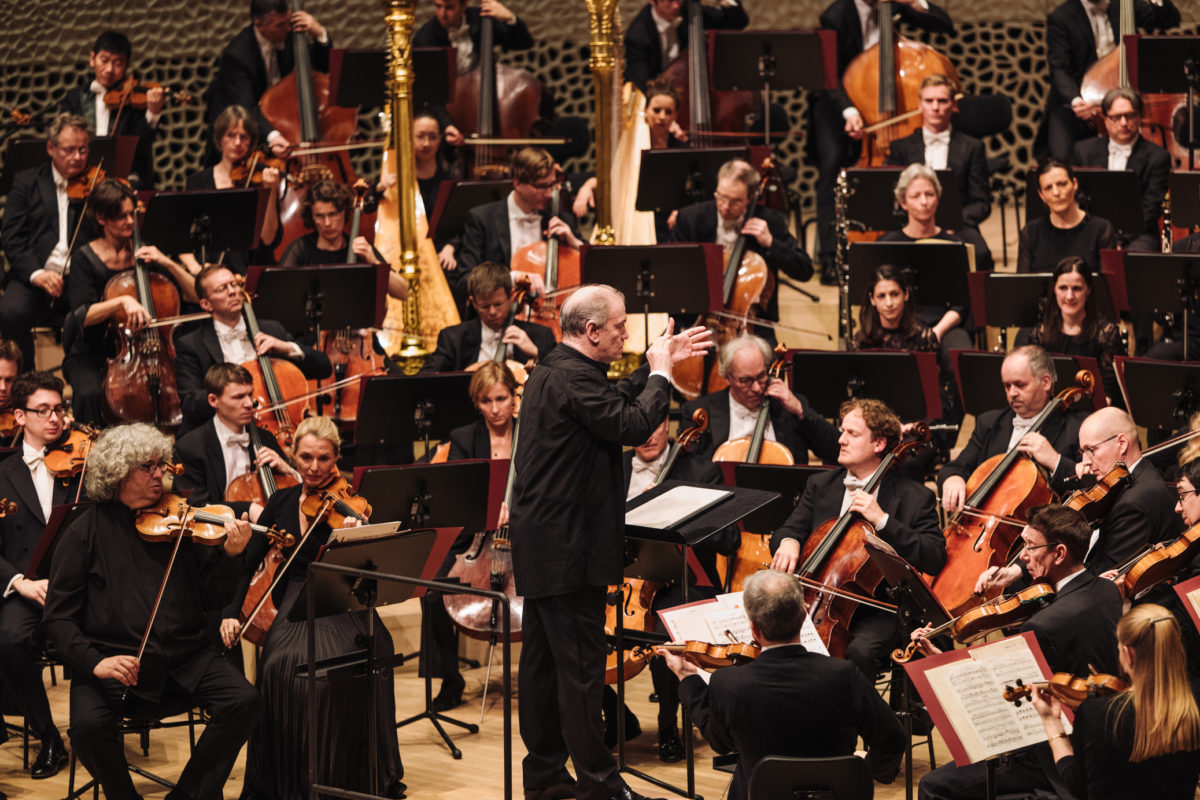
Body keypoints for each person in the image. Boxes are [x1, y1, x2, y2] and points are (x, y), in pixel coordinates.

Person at [509, 284, 711, 800]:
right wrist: (662, 371)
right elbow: (635, 423)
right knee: (578, 671)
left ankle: (547, 778)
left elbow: (610, 403)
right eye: (620, 324)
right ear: (592, 330)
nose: (627, 331)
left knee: (542, 666)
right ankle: (601, 787)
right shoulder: (572, 378)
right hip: (569, 549)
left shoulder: (560, 369)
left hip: (548, 545)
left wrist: (654, 366)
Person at [42, 423, 262, 800]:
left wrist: (230, 557)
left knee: (244, 701)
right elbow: (58, 619)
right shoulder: (82, 532)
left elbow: (209, 598)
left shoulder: (180, 522)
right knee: (85, 728)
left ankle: (189, 795)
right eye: (148, 467)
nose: (160, 474)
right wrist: (95, 663)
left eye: (162, 465)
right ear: (118, 472)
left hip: (185, 658)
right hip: (113, 664)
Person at [222, 415, 405, 799]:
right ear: (294, 455)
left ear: (337, 457)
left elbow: (371, 567)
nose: (314, 467)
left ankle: (346, 773)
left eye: (324, 458)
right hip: (296, 596)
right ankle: (289, 777)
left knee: (369, 653)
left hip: (343, 596)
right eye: (305, 457)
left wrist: (357, 540)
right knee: (279, 666)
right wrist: (230, 611)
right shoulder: (281, 501)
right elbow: (249, 562)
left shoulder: (352, 502)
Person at [916, 504, 1123, 800]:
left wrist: (938, 661)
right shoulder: (1108, 590)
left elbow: (1009, 700)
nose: (1022, 556)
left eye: (1029, 545)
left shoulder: (1044, 625)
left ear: (1060, 553)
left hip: (1058, 752)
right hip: (1109, 738)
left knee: (933, 786)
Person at [661, 569, 906, 800]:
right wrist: (866, 768)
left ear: (754, 629)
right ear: (802, 617)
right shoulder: (844, 675)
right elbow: (893, 737)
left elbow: (720, 742)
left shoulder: (728, 682)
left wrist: (688, 678)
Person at [769, 397, 944, 679]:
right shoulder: (822, 485)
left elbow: (934, 556)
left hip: (880, 610)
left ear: (879, 444)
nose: (840, 440)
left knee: (860, 652)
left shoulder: (915, 496)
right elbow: (789, 530)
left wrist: (882, 520)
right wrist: (788, 542)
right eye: (842, 431)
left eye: (852, 434)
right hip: (817, 600)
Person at [619, 417, 739, 763]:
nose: (647, 436)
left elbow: (729, 540)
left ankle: (668, 722)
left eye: (654, 426)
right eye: (636, 428)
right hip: (627, 579)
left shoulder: (701, 471)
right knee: (580, 630)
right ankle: (616, 718)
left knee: (662, 634)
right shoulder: (613, 466)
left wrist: (674, 509)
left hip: (685, 580)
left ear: (667, 424)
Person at [811, 0, 953, 284]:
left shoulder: (894, 6)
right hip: (839, 103)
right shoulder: (835, 15)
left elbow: (944, 25)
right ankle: (830, 257)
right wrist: (849, 111)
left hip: (883, 106)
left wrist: (915, 3)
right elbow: (829, 75)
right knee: (833, 167)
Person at [982, 407, 1182, 589]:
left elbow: (1102, 579)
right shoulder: (1115, 481)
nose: (1085, 462)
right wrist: (1017, 571)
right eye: (1082, 452)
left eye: (1091, 450)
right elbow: (1061, 534)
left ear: (1121, 443)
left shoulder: (1135, 502)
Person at [420, 361, 520, 712]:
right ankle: (451, 678)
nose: (495, 409)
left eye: (501, 399)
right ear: (476, 403)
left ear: (514, 397)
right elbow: (459, 497)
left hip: (523, 537)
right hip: (474, 539)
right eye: (486, 401)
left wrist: (517, 510)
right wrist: (488, 512)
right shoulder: (464, 438)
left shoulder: (532, 434)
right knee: (431, 593)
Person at [61, 178, 199, 426]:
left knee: (190, 384)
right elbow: (81, 315)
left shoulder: (146, 252)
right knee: (90, 392)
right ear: (102, 219)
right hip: (93, 352)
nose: (130, 222)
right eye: (121, 216)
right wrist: (121, 301)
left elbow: (195, 295)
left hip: (154, 350)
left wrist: (167, 262)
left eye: (132, 214)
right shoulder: (84, 258)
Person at [0, 372, 81, 780]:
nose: (55, 419)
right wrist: (19, 583)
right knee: (9, 640)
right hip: (26, 589)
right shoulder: (2, 472)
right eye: (43, 410)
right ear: (19, 416)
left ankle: (101, 727)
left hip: (81, 588)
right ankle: (49, 736)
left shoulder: (82, 464)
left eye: (59, 409)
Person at [1032, 604, 1200, 800]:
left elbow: (1077, 787)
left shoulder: (1096, 715)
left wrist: (1052, 724)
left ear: (1128, 654)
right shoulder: (1193, 700)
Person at [174, 264, 332, 434]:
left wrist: (286, 347)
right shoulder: (191, 344)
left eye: (234, 284)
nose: (233, 291)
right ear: (206, 304)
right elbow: (191, 403)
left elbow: (324, 367)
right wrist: (231, 397)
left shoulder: (271, 329)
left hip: (279, 428)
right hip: (222, 433)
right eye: (222, 289)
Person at [669, 158, 813, 328]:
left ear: (751, 198)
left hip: (749, 323)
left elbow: (805, 271)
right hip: (695, 320)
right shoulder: (690, 218)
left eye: (736, 201)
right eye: (721, 197)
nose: (725, 206)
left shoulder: (770, 221)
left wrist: (771, 243)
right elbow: (672, 272)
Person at [939, 345, 1082, 512]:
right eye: (1007, 386)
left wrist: (1054, 461)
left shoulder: (1076, 427)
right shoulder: (988, 423)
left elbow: (1089, 486)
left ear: (1046, 382)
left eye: (1020, 385)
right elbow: (955, 467)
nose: (1012, 393)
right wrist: (953, 478)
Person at [0, 112, 91, 369]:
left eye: (83, 150)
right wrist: (37, 273)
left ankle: (86, 376)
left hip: (80, 279)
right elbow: (12, 237)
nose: (77, 157)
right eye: (69, 149)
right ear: (51, 148)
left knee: (99, 315)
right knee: (9, 313)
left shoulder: (95, 185)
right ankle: (28, 381)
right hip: (35, 276)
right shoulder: (26, 182)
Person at [1040, 0, 1180, 161]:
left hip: (1127, 96)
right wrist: (1076, 101)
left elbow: (1171, 20)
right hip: (1081, 101)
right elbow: (1059, 68)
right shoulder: (1061, 17)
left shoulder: (1126, 5)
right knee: (1062, 157)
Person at [885, 73, 993, 270]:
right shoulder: (900, 147)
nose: (935, 107)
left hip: (958, 226)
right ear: (920, 105)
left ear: (953, 105)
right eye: (929, 101)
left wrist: (951, 223)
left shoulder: (972, 147)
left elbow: (981, 202)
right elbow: (890, 199)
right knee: (881, 253)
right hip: (911, 226)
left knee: (981, 254)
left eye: (942, 101)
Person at [681, 334, 839, 465]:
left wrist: (800, 411)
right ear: (727, 377)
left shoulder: (788, 406)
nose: (757, 388)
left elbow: (835, 451)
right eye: (746, 381)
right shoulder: (700, 413)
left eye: (761, 376)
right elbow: (690, 470)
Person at [456, 147, 583, 308]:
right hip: (501, 318)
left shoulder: (560, 219)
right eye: (541, 187)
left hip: (551, 315)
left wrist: (574, 243)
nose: (550, 194)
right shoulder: (482, 219)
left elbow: (593, 272)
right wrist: (512, 278)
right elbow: (465, 280)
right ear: (517, 183)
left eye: (552, 185)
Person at [205, 0, 331, 157]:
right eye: (280, 25)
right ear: (259, 25)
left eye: (288, 21)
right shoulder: (237, 56)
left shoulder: (289, 35)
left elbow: (320, 69)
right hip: (249, 139)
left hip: (285, 129)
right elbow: (247, 107)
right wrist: (273, 136)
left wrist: (319, 33)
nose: (287, 28)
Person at [172, 362, 294, 511]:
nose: (250, 403)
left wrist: (288, 470)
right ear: (213, 400)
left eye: (250, 394)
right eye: (239, 397)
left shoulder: (265, 439)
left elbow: (292, 495)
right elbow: (194, 507)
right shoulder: (189, 448)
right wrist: (248, 509)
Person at [878, 164, 973, 353]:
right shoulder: (887, 244)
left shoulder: (955, 244)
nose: (924, 202)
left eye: (930, 194)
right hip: (898, 324)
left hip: (945, 326)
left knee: (959, 357)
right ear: (903, 202)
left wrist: (937, 331)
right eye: (916, 196)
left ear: (938, 199)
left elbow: (962, 302)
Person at [181, 105, 282, 276]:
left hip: (251, 273)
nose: (237, 143)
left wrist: (270, 192)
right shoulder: (197, 182)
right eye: (231, 135)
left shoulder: (260, 182)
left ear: (251, 142)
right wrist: (196, 269)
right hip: (210, 277)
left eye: (244, 137)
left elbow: (268, 238)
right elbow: (181, 236)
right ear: (219, 138)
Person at [57, 31, 162, 189]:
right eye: (104, 60)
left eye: (118, 63)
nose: (109, 69)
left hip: (125, 182)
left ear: (126, 65)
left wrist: (153, 113)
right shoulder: (74, 98)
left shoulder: (133, 98)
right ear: (93, 59)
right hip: (82, 180)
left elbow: (141, 147)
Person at [1072, 87, 1170, 253]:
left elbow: (1151, 208)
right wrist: (1103, 237)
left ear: (1139, 117)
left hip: (1139, 233)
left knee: (1138, 259)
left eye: (1129, 116)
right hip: (1093, 231)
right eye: (1117, 117)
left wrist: (1119, 240)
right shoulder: (1083, 151)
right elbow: (1079, 199)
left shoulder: (1158, 157)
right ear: (1105, 119)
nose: (1124, 123)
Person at [421, 261, 557, 373]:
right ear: (473, 302)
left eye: (498, 304)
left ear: (510, 296)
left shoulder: (542, 336)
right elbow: (424, 379)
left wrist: (537, 353)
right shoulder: (453, 338)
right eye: (485, 306)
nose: (492, 312)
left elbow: (564, 379)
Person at [1023, 256, 1122, 406]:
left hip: (1093, 414)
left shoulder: (1106, 334)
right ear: (1054, 289)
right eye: (1063, 288)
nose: (1069, 296)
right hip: (1052, 410)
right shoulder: (1041, 334)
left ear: (1088, 290)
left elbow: (1108, 395)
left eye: (1076, 288)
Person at [623, 0, 748, 93]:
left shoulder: (689, 10)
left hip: (691, 91)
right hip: (659, 99)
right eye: (669, 1)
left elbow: (737, 23)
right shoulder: (638, 35)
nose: (676, 5)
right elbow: (640, 86)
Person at [1017, 158, 1115, 274]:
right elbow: (1022, 285)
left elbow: (1110, 284)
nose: (1056, 192)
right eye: (1048, 188)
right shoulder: (1031, 232)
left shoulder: (1101, 229)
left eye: (1062, 184)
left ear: (1074, 184)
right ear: (1041, 195)